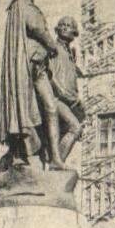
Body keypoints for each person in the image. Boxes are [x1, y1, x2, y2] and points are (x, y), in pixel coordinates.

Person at [0, 0, 61, 169]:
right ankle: (55, 158)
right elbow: (38, 29)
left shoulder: (15, 9)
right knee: (51, 108)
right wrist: (54, 47)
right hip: (35, 68)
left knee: (42, 109)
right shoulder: (26, 7)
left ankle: (44, 155)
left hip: (30, 68)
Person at [33, 15, 86, 167]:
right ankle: (56, 164)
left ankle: (55, 163)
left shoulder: (70, 54)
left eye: (71, 26)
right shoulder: (53, 49)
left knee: (70, 131)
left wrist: (76, 100)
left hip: (69, 101)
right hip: (57, 99)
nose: (68, 29)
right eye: (65, 25)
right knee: (75, 128)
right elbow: (50, 76)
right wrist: (63, 94)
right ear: (60, 29)